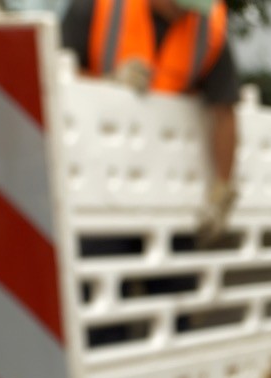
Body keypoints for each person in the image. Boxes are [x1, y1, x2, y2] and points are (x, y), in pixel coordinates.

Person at [61, 0, 239, 242]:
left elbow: (224, 111)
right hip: (95, 182)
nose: (186, 11)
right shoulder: (98, 6)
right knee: (103, 260)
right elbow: (54, 72)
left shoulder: (207, 27)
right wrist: (105, 85)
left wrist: (222, 187)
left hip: (165, 188)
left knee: (176, 274)